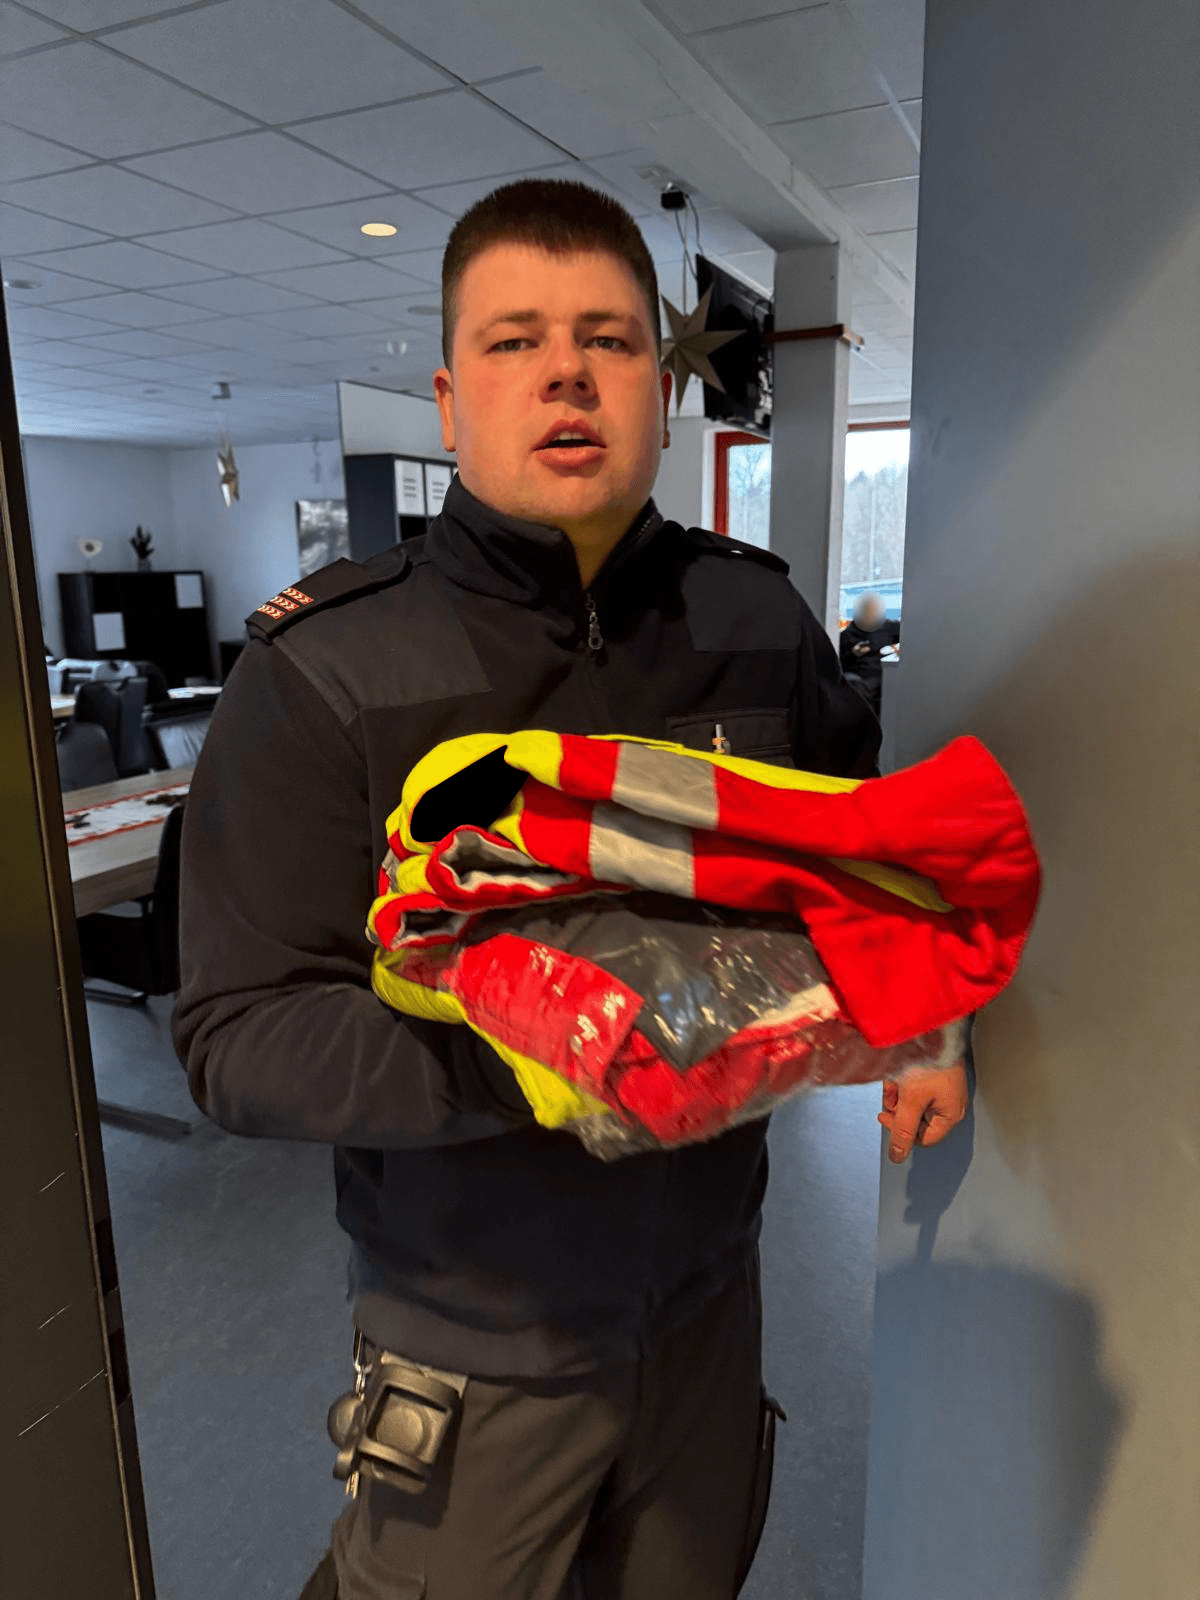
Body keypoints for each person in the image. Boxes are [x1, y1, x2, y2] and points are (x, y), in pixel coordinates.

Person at [173, 179, 969, 1600]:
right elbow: (237, 1035)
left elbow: (865, 864)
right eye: (513, 341)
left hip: (712, 1311)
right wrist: (543, 1048)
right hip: (473, 1346)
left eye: (607, 339)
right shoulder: (323, 676)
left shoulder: (755, 621)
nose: (564, 371)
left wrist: (925, 1016)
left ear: (662, 394)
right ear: (447, 396)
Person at [838, 590, 900, 715]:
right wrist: (853, 653)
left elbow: (909, 632)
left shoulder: (887, 627)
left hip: (886, 674)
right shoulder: (846, 636)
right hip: (859, 677)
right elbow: (839, 663)